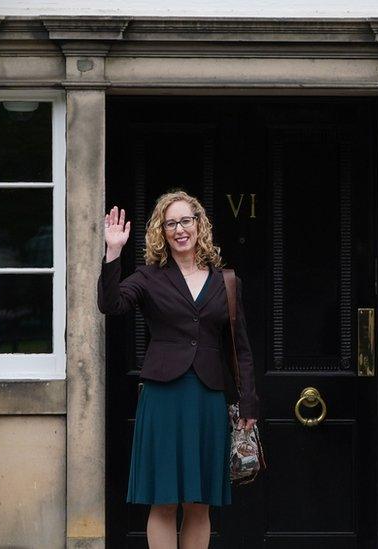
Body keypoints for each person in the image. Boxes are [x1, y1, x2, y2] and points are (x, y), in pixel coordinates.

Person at [97, 190, 258, 549]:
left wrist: (249, 402)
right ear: (162, 231)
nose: (180, 229)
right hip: (163, 396)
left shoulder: (226, 281)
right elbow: (110, 304)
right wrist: (113, 252)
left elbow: (241, 347)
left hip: (208, 397)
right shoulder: (149, 277)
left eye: (187, 220)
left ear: (200, 225)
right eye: (171, 223)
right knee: (165, 499)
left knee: (199, 503)